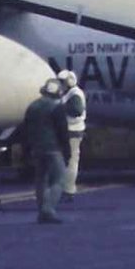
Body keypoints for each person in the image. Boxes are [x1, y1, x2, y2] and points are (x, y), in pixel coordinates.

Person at [18, 77, 70, 223]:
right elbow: (62, 131)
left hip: (36, 148)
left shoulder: (32, 106)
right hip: (53, 148)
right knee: (59, 179)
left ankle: (42, 211)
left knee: (41, 180)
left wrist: (26, 149)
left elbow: (25, 129)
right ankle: (48, 209)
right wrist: (67, 150)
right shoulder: (57, 108)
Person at [57, 69, 87, 202]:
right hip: (70, 131)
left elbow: (77, 110)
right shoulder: (70, 93)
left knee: (71, 162)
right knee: (69, 161)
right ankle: (66, 188)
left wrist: (60, 109)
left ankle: (68, 189)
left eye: (62, 82)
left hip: (72, 131)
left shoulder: (74, 94)